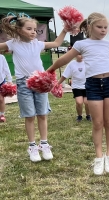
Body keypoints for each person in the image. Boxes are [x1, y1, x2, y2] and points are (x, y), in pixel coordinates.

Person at [46, 12, 109, 175]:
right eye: (99, 27)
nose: (103, 30)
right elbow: (64, 60)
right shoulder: (82, 45)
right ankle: (98, 157)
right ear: (89, 27)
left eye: (105, 27)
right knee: (97, 123)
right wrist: (49, 71)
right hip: (93, 85)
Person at [0, 14, 67, 162]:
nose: (33, 32)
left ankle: (44, 144)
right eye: (29, 29)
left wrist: (65, 30)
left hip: (40, 82)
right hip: (23, 83)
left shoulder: (38, 44)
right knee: (29, 116)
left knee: (42, 114)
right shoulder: (13, 44)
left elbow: (56, 43)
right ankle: (32, 146)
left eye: (35, 30)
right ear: (19, 29)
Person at [56, 55, 90, 122]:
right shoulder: (72, 64)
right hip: (76, 86)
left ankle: (88, 115)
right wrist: (58, 83)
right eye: (79, 54)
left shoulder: (88, 63)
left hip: (87, 85)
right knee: (79, 102)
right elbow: (65, 75)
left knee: (87, 102)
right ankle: (79, 116)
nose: (81, 56)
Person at [0, 53, 12, 122]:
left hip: (1, 81)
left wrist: (9, 80)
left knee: (1, 99)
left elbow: (6, 68)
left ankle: (2, 115)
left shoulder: (1, 57)